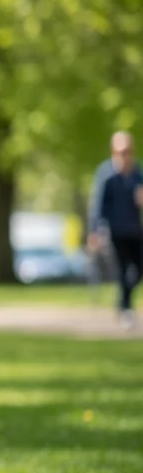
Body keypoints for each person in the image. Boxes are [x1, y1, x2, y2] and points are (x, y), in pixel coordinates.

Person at [95, 132, 143, 328]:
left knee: (139, 270)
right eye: (121, 151)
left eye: (128, 151)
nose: (125, 155)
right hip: (116, 231)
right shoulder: (107, 175)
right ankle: (126, 309)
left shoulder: (138, 173)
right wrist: (96, 230)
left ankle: (122, 301)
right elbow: (98, 205)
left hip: (137, 230)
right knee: (123, 271)